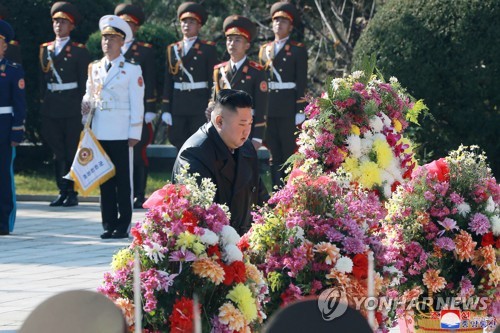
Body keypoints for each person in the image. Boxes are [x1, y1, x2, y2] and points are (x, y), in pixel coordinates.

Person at [172, 89, 269, 235]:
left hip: (243, 244)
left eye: (250, 124)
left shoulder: (246, 148)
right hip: (208, 247)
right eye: (242, 124)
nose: (247, 131)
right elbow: (200, 216)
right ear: (219, 121)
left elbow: (261, 198)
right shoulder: (194, 154)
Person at [82, 15, 144, 239]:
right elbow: (89, 95)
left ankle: (123, 224)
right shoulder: (95, 68)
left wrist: (134, 132)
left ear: (122, 42)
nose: (107, 42)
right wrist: (85, 107)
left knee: (122, 182)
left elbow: (137, 102)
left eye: (112, 39)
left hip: (121, 131)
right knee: (104, 180)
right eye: (105, 38)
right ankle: (108, 223)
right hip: (99, 130)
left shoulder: (131, 69)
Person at [39, 1, 90, 207]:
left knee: (71, 150)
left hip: (71, 106)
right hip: (51, 105)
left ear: (72, 26)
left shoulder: (78, 51)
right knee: (57, 150)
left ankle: (72, 192)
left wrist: (83, 109)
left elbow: (83, 82)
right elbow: (42, 80)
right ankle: (61, 190)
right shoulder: (45, 49)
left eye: (64, 22)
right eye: (56, 21)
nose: (59, 25)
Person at [259, 2, 307, 188]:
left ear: (291, 26)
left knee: (289, 153)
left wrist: (300, 109)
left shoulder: (297, 49)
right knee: (273, 154)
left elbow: (301, 81)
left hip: (288, 108)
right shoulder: (264, 50)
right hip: (269, 108)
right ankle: (277, 193)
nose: (279, 24)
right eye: (276, 20)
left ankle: (290, 192)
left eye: (284, 21)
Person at [160, 2, 218, 151]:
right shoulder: (172, 49)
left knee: (199, 142)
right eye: (184, 22)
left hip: (198, 103)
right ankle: (180, 174)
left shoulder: (207, 49)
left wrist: (212, 103)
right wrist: (166, 108)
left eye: (192, 22)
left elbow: (213, 80)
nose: (187, 25)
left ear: (199, 26)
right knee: (178, 142)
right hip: (178, 104)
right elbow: (168, 81)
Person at [114, 3, 156, 209]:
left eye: (130, 25)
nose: (126, 28)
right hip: (115, 113)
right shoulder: (113, 49)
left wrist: (150, 108)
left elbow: (150, 80)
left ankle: (139, 194)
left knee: (139, 154)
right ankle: (122, 191)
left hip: (137, 112)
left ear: (137, 28)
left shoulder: (144, 52)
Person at [213, 15, 268, 151]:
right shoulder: (220, 70)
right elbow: (215, 100)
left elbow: (261, 106)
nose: (232, 44)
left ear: (247, 45)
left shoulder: (256, 71)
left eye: (237, 40)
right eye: (229, 40)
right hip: (224, 129)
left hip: (246, 131)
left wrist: (258, 137)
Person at [0, 20, 26, 236]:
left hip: (4, 126)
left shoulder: (12, 71)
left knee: (3, 175)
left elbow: (19, 103)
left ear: (5, 46)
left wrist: (17, 128)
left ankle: (4, 221)